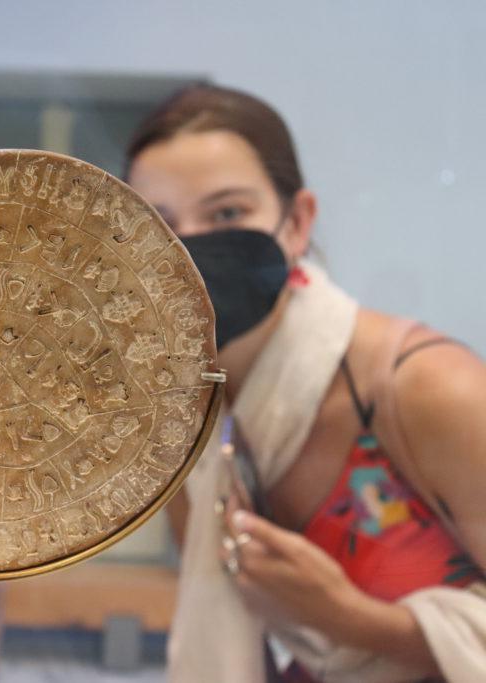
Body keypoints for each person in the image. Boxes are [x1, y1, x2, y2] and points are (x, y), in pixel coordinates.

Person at [124, 84, 486, 682]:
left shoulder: (426, 389)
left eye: (227, 214)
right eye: (160, 226)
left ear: (297, 222)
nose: (191, 249)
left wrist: (356, 623)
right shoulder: (192, 427)